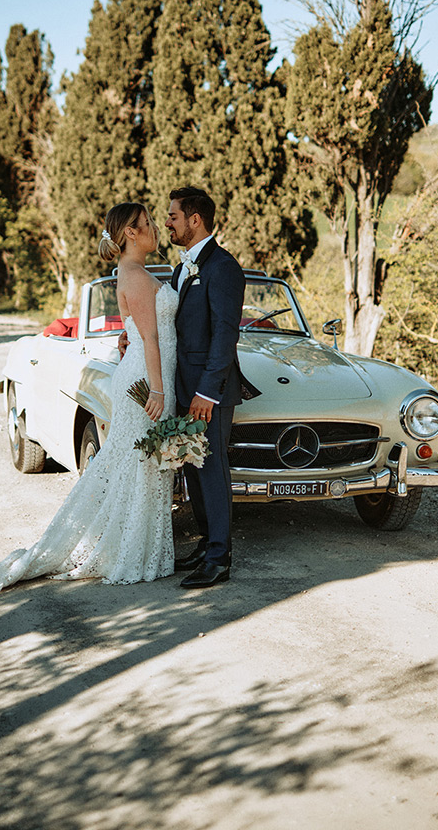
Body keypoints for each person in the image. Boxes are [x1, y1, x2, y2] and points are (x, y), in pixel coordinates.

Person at [0, 203, 178, 603]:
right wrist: (159, 391)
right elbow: (149, 338)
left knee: (135, 463)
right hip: (148, 381)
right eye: (147, 225)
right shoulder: (136, 275)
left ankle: (136, 548)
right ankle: (132, 553)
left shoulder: (127, 273)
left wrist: (129, 343)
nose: (154, 231)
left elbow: (133, 330)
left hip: (142, 373)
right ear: (130, 233)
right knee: (139, 464)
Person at [166, 187, 260, 589]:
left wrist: (207, 391)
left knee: (213, 471)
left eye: (172, 215)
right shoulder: (182, 266)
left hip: (209, 391)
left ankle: (220, 558)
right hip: (184, 386)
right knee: (193, 468)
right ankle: (207, 543)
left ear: (195, 220)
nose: (167, 222)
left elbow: (225, 334)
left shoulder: (222, 267)